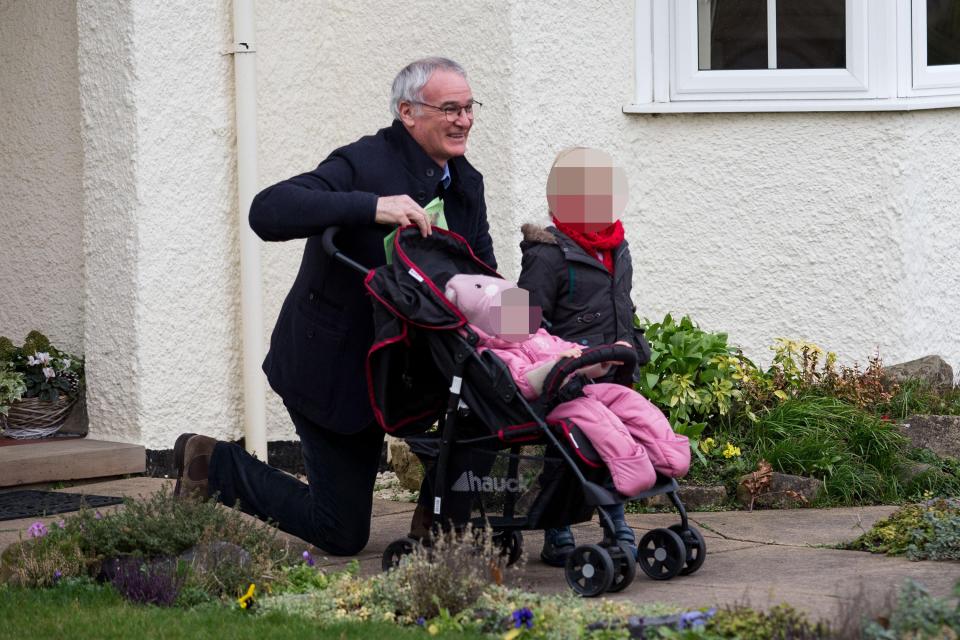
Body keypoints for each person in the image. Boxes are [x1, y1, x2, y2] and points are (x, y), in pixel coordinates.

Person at [172, 57, 496, 556]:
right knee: (341, 534)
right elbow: (268, 210)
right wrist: (371, 206)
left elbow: (482, 273)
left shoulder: (465, 183)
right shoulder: (361, 163)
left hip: (411, 369)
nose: (464, 119)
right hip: (334, 367)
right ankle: (211, 463)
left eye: (469, 107)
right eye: (450, 108)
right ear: (408, 112)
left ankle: (438, 523)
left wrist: (532, 330)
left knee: (496, 398)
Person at [442, 273, 689, 501]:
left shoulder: (539, 336)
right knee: (595, 416)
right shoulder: (495, 353)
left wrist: (599, 360)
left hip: (573, 391)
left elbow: (570, 351)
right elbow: (524, 382)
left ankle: (668, 454)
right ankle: (633, 469)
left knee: (623, 396)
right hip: (541, 406)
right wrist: (559, 364)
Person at [517, 147, 651, 566]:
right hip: (568, 380)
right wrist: (561, 367)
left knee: (620, 446)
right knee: (573, 453)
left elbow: (622, 306)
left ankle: (605, 522)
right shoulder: (545, 255)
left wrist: (636, 345)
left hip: (615, 375)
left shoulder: (617, 248)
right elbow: (519, 328)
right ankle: (582, 529)